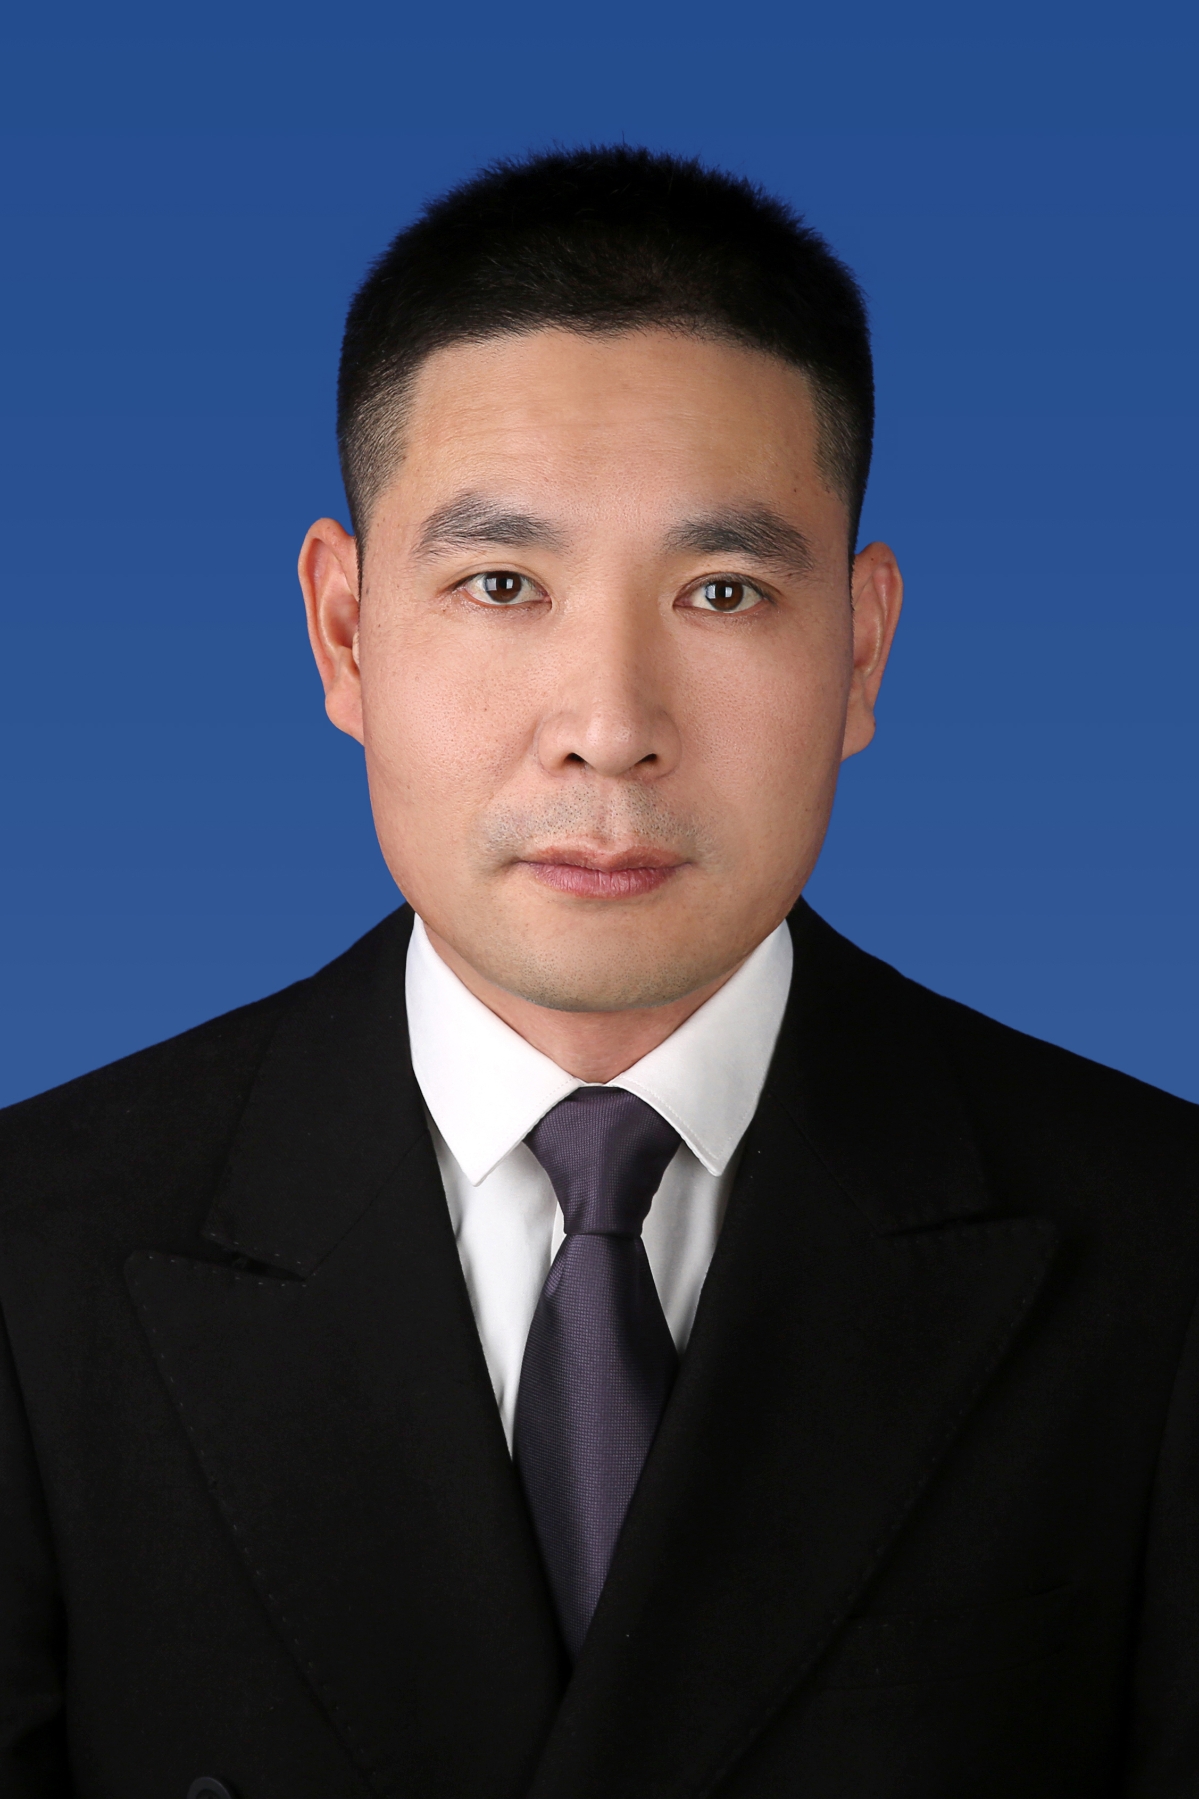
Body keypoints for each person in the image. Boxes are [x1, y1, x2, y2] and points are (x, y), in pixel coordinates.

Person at [0, 145, 1194, 1799]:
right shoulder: (33, 1258)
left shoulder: (1163, 1252)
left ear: (861, 647)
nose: (611, 725)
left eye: (724, 591)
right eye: (502, 584)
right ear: (346, 632)